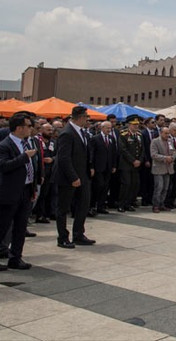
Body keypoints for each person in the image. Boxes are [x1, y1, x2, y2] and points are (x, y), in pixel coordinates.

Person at [0, 113, 37, 272]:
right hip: (9, 192)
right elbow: (2, 166)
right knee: (1, 227)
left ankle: (15, 257)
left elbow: (31, 168)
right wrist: (24, 157)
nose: (30, 128)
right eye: (28, 126)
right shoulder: (4, 145)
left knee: (20, 227)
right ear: (19, 128)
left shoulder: (26, 143)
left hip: (25, 190)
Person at [53, 106, 95, 248]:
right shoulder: (67, 133)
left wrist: (90, 168)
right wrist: (73, 177)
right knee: (63, 208)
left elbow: (85, 154)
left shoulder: (82, 132)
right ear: (80, 117)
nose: (87, 120)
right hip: (69, 178)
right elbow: (64, 158)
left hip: (83, 176)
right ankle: (63, 237)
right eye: (85, 117)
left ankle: (78, 234)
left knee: (83, 205)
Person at [88, 121, 117, 216]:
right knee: (98, 186)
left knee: (105, 187)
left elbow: (113, 153)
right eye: (107, 128)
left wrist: (113, 165)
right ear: (102, 128)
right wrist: (91, 166)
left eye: (110, 128)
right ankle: (92, 205)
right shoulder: (95, 139)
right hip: (98, 167)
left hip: (108, 167)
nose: (109, 130)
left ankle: (101, 206)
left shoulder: (111, 139)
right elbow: (91, 154)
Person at [117, 115, 144, 212]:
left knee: (134, 184)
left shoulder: (140, 135)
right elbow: (123, 150)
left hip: (136, 165)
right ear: (129, 125)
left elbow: (142, 149)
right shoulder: (123, 134)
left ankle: (129, 203)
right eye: (134, 124)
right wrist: (133, 160)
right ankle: (121, 204)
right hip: (126, 164)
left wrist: (140, 160)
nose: (136, 126)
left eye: (137, 124)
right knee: (126, 184)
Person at [150, 127, 176, 212]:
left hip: (168, 168)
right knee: (159, 187)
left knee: (165, 188)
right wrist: (165, 158)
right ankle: (156, 205)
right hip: (158, 168)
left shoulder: (170, 141)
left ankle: (162, 204)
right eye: (165, 133)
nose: (167, 135)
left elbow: (174, 151)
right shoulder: (155, 141)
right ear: (161, 133)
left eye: (168, 133)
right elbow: (154, 154)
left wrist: (172, 158)